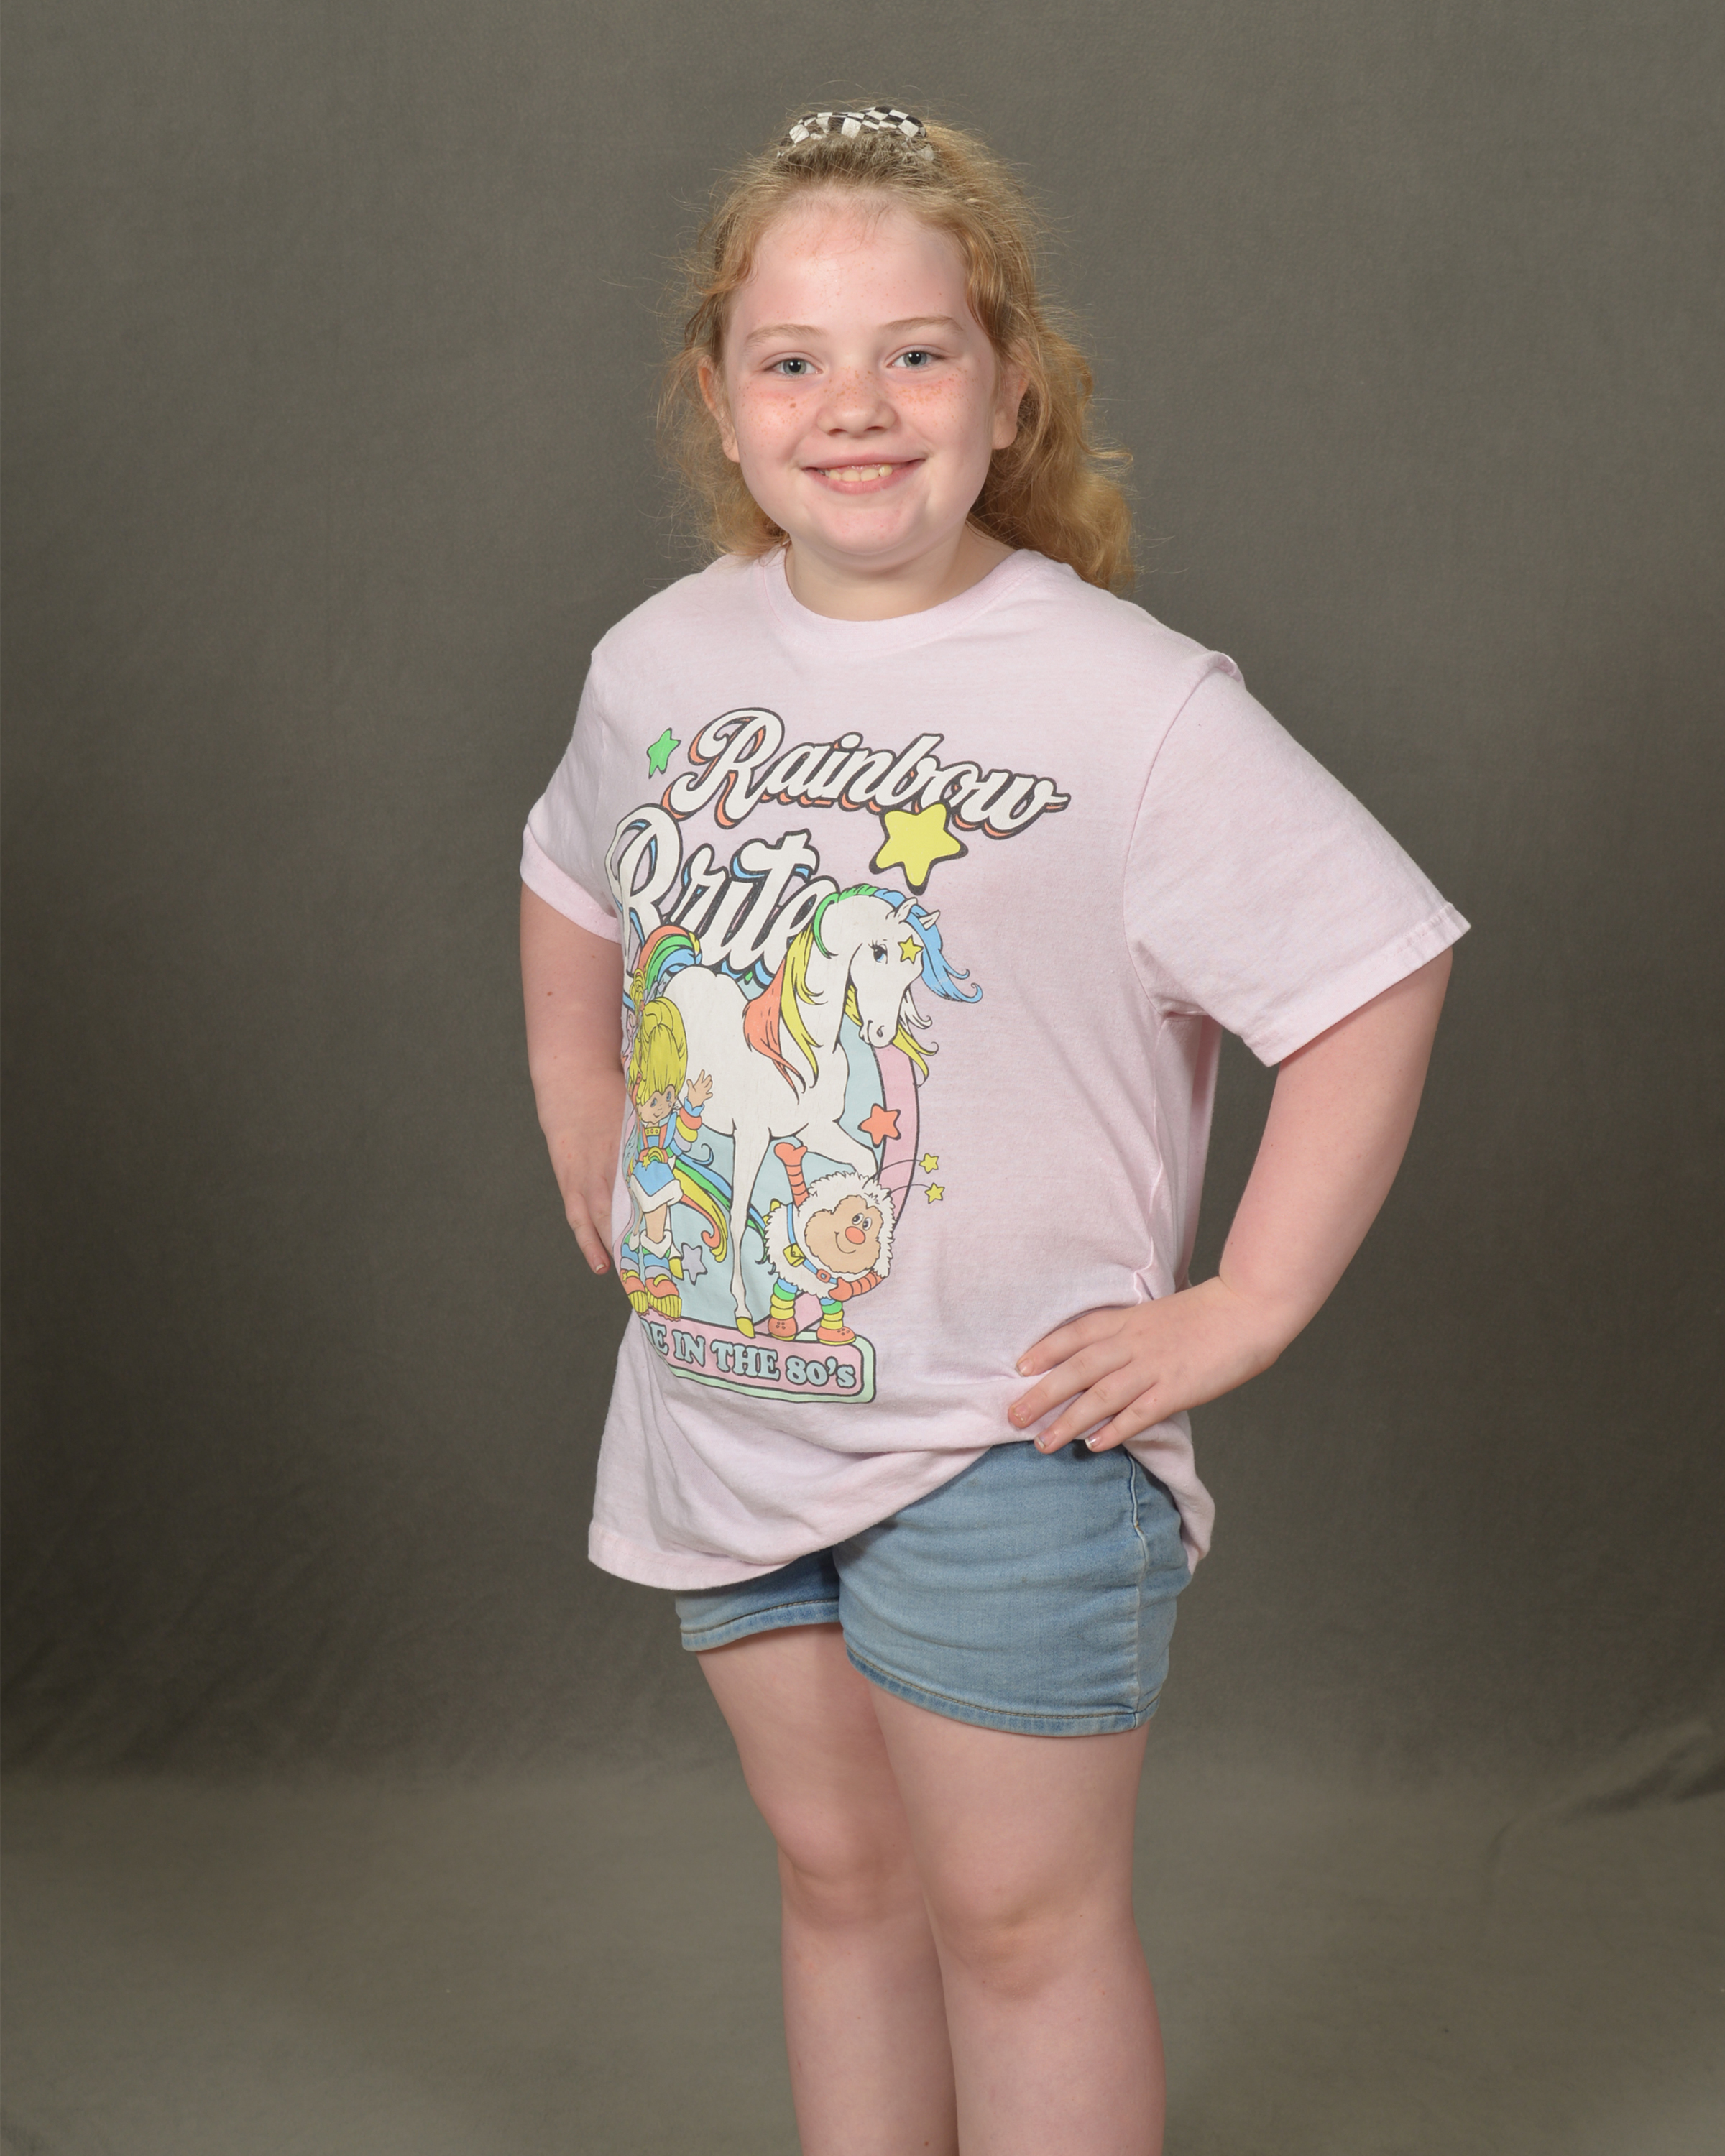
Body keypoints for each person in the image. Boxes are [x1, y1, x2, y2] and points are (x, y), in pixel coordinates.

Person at [519, 103, 1465, 2156]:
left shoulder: (1130, 704)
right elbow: (574, 873)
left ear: (1011, 385)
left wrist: (1250, 1300)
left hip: (1003, 1445)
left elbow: (1373, 970)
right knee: (840, 1883)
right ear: (718, 397)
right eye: (793, 359)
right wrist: (581, 1097)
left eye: (916, 353)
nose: (854, 406)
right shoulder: (661, 660)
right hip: (728, 1411)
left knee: (1019, 1928)